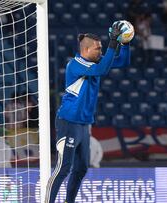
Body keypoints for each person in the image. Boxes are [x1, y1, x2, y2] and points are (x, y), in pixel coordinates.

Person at [45, 22, 131, 203]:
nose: (100, 52)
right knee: (63, 168)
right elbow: (102, 69)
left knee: (81, 168)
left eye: (101, 48)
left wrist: (124, 42)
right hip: (68, 122)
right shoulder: (75, 64)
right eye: (97, 49)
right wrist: (112, 43)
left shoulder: (95, 61)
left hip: (83, 125)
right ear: (85, 50)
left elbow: (123, 61)